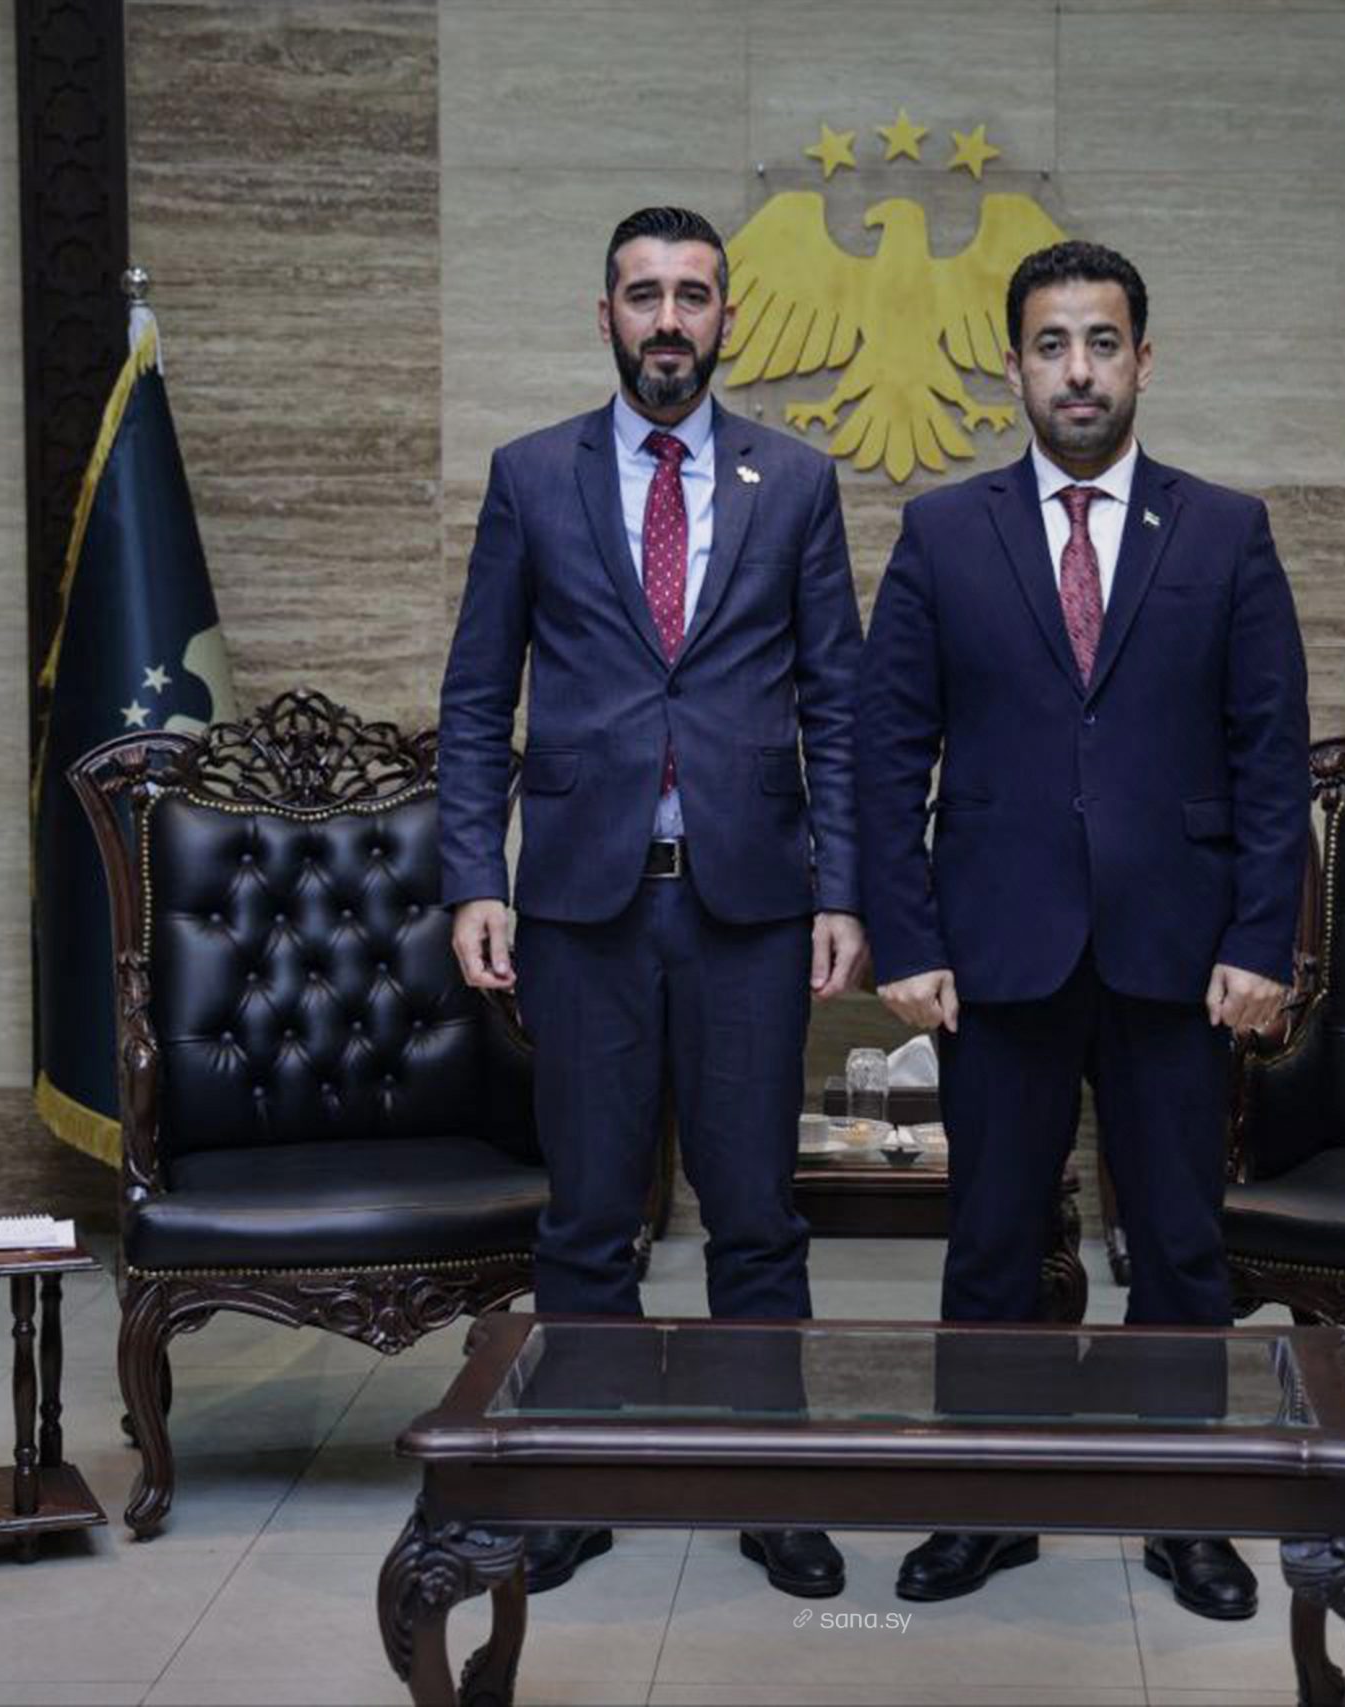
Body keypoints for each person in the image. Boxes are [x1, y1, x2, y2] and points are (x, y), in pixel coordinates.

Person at [856, 241, 1310, 1619]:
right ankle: (987, 1509)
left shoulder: (1225, 532)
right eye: (1052, 344)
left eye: (1103, 343)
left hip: (1180, 956)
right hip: (1000, 952)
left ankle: (1186, 1515)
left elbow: (1270, 759)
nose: (1078, 370)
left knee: (1178, 1246)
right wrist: (906, 939)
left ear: (1144, 363)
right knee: (992, 1243)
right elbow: (887, 755)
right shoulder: (945, 533)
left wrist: (1262, 941)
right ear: (1013, 367)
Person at [438, 205, 867, 1599]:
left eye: (692, 294)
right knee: (587, 1217)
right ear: (606, 315)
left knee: (756, 1217)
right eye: (644, 295)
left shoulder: (793, 481)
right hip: (580, 907)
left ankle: (772, 1489)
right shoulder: (530, 476)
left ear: (726, 316)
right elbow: (475, 699)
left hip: (751, 908)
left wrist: (844, 888)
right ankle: (581, 1484)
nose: (669, 319)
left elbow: (840, 706)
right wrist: (474, 876)